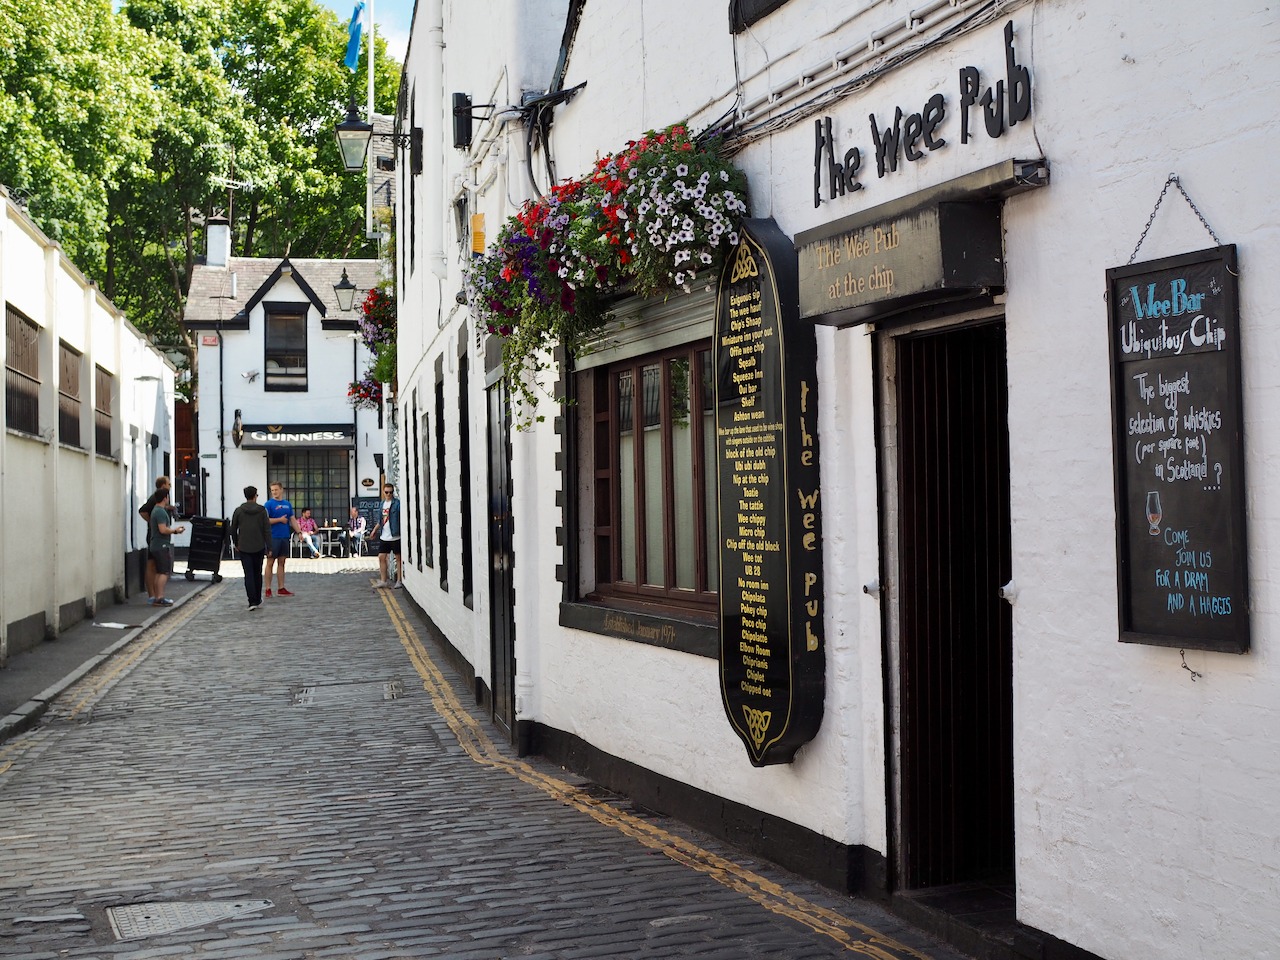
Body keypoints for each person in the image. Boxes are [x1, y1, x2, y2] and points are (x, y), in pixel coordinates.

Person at [230, 485, 271, 610]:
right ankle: (257, 599)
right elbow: (267, 530)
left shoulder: (238, 510)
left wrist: (236, 543)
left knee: (248, 574)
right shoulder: (262, 510)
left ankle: (251, 601)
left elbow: (233, 529)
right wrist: (269, 546)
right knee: (257, 573)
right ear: (255, 496)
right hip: (258, 546)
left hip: (244, 546)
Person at [147, 488, 185, 606]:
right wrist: (175, 531)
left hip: (155, 545)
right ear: (165, 498)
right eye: (168, 497)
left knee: (159, 572)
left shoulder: (156, 510)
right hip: (161, 545)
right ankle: (160, 597)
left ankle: (157, 598)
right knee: (164, 572)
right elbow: (162, 529)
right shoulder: (160, 512)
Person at [263, 481, 300, 597]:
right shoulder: (268, 504)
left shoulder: (287, 504)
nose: (274, 492)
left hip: (284, 537)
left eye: (276, 490)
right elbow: (265, 520)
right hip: (273, 537)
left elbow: (292, 519)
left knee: (282, 562)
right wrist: (279, 520)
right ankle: (268, 589)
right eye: (272, 490)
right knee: (270, 562)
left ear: (281, 490)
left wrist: (299, 532)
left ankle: (281, 587)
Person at [138, 475, 171, 603]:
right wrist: (153, 523)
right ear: (163, 486)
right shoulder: (155, 498)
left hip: (156, 537)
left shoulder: (159, 500)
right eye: (168, 484)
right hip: (155, 538)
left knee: (155, 566)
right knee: (152, 565)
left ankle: (156, 596)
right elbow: (142, 511)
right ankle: (153, 596)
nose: (170, 486)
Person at [370, 482, 403, 589]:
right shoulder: (382, 504)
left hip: (395, 535)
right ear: (383, 492)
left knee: (398, 558)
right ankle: (383, 580)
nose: (389, 494)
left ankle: (399, 580)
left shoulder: (397, 504)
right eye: (387, 492)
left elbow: (400, 518)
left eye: (391, 492)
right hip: (385, 535)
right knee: (381, 557)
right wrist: (374, 530)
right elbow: (381, 520)